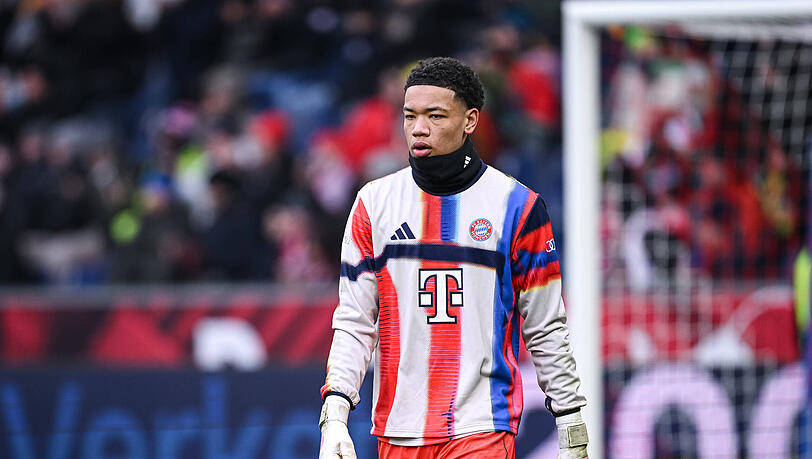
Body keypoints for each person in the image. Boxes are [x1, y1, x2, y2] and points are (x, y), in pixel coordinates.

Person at [318, 57, 588, 459]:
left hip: (482, 426)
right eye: (409, 115)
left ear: (471, 120)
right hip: (397, 429)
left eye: (435, 115)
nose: (418, 128)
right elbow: (355, 321)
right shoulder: (373, 205)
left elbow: (545, 326)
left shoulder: (518, 206)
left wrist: (570, 422)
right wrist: (335, 415)